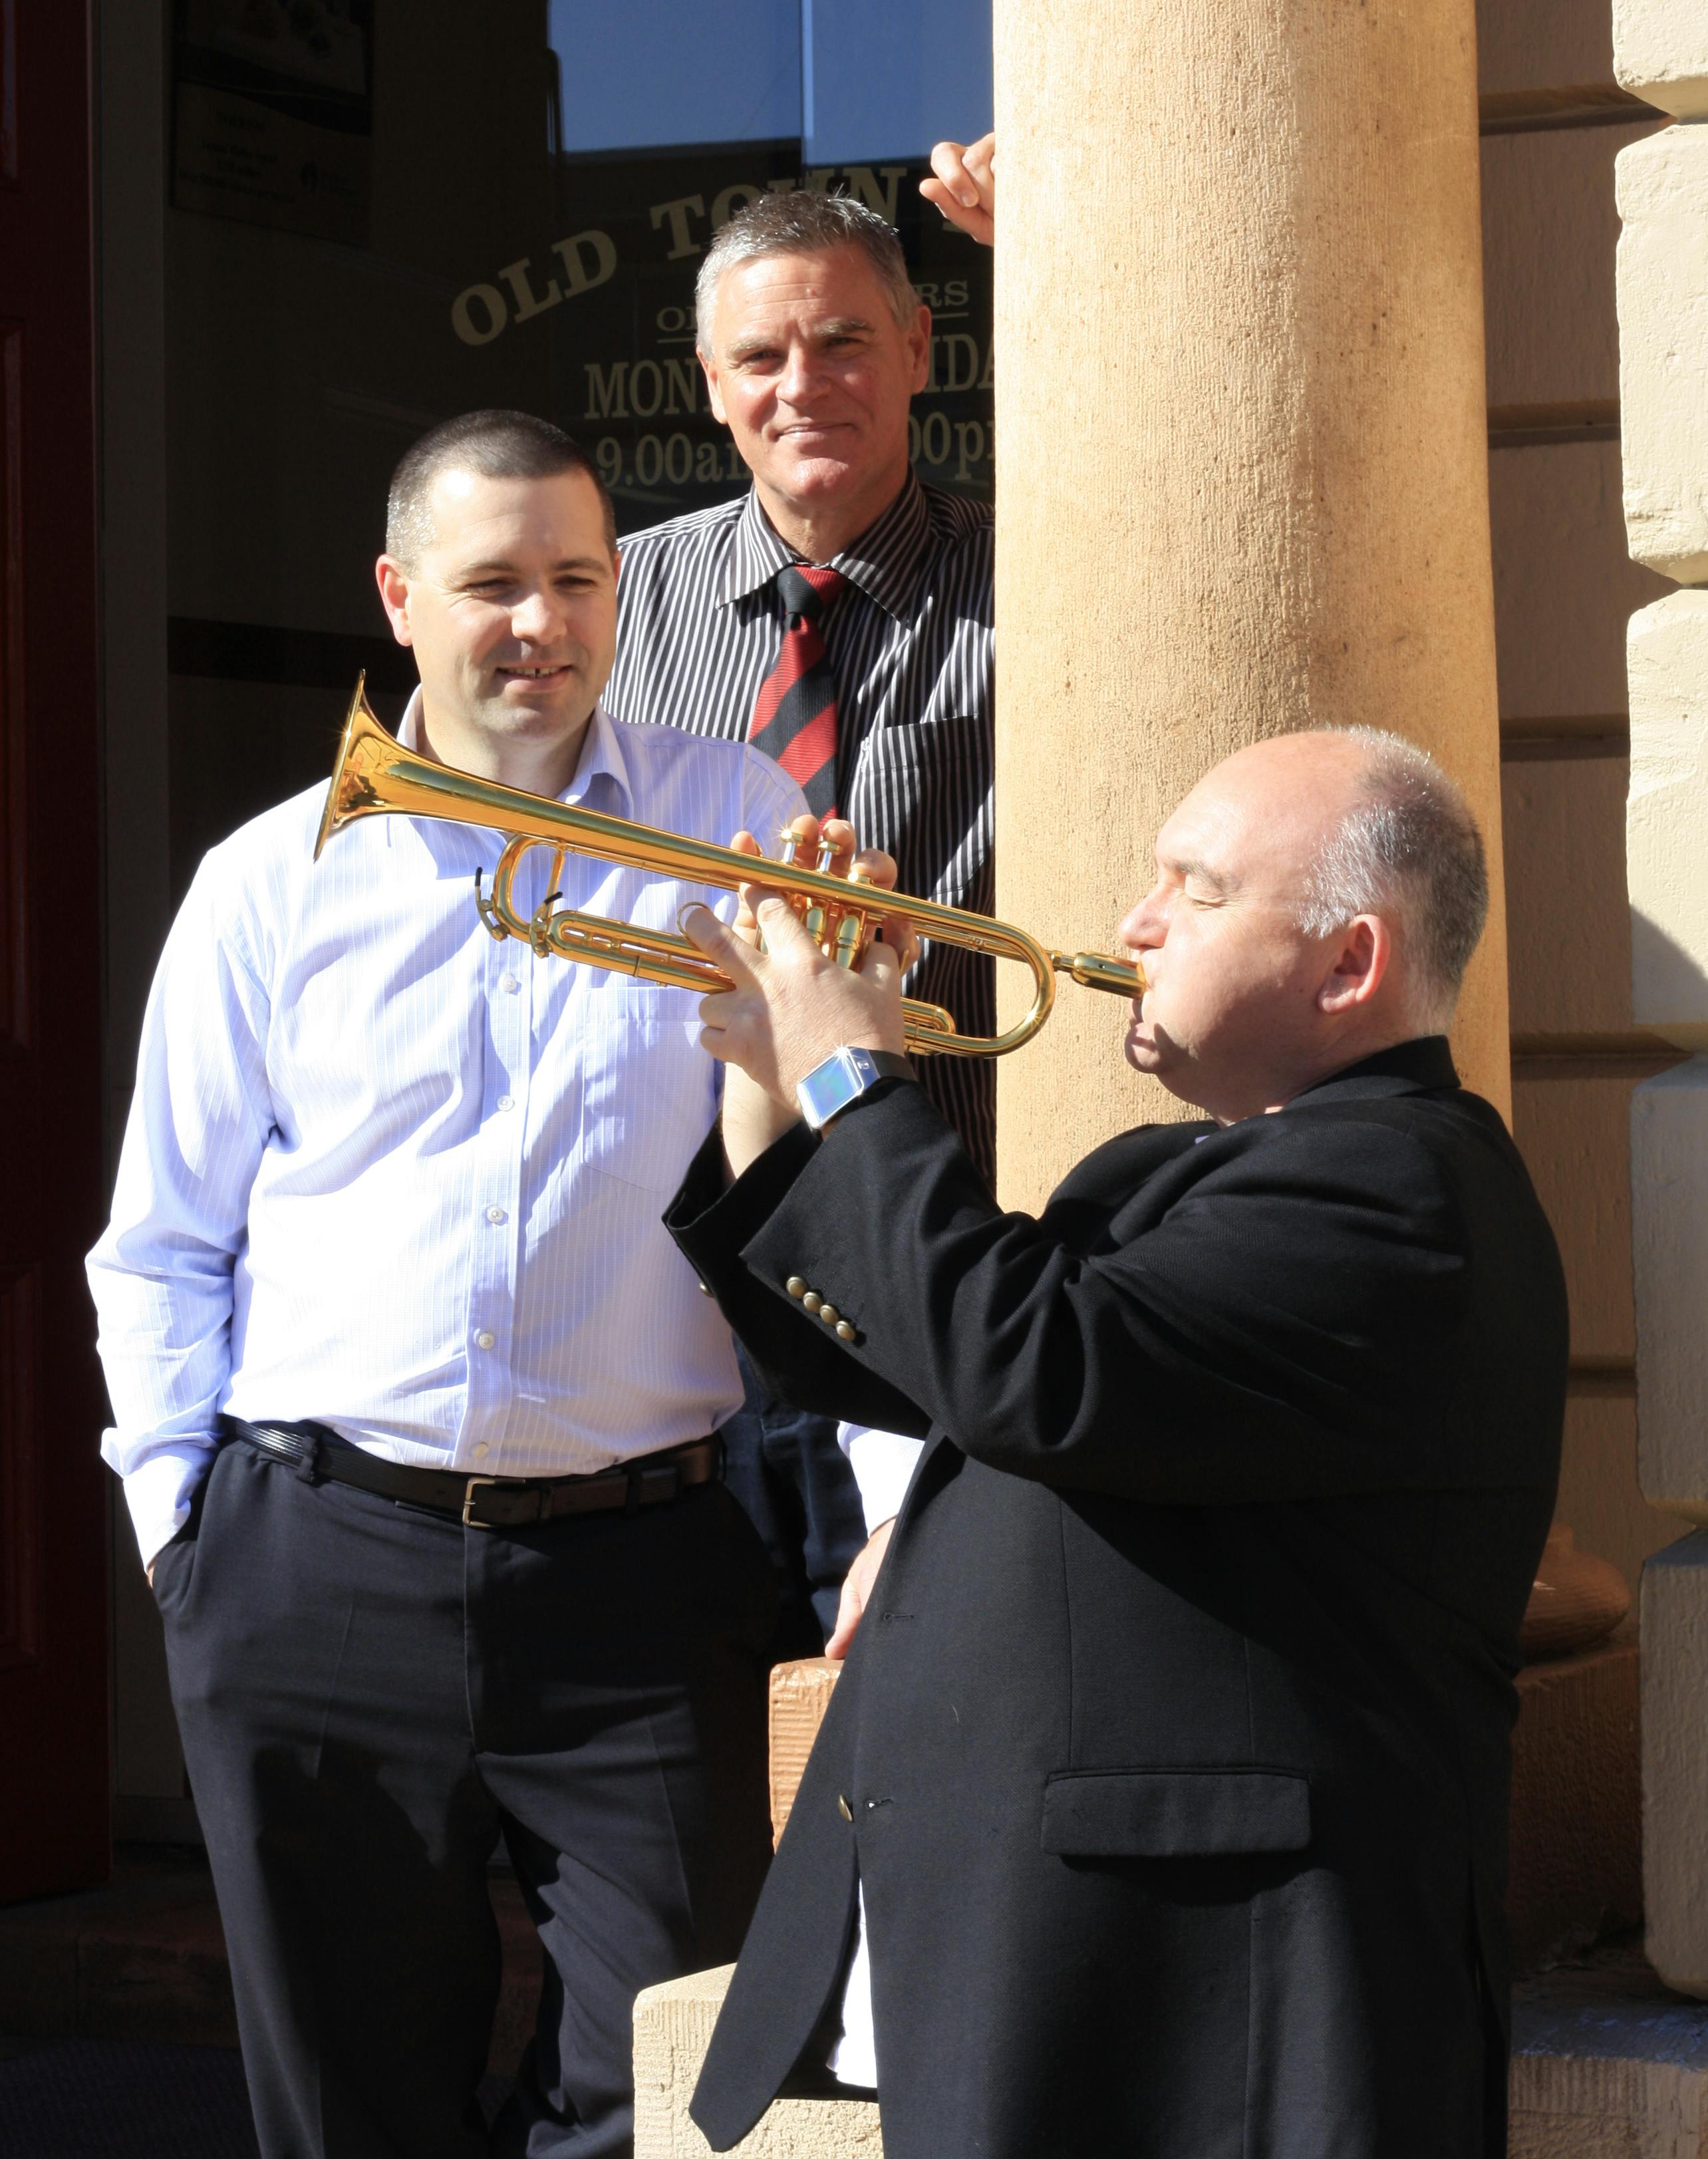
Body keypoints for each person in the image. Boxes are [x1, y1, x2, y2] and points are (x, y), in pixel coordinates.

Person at [663, 727, 1570, 2159]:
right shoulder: (1164, 1172)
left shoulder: (1403, 1192)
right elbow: (910, 1363)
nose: (1135, 925)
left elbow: (1027, 1367)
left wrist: (853, 1076)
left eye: (1197, 892)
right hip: (1062, 1985)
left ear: (1350, 965)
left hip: (1219, 2026)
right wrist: (773, 1095)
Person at [87, 412, 811, 2159]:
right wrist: (182, 1532)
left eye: (577, 579)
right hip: (317, 1558)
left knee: (670, 2091)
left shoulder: (740, 819)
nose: (539, 624)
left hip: (643, 1574)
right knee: (350, 2110)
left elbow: (807, 1179)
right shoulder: (273, 880)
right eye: (492, 584)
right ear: (403, 599)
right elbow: (165, 1240)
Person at [606, 152, 994, 1659]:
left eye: (843, 341)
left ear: (915, 351)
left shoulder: (1047, 577)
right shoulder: (620, 605)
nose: (802, 383)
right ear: (711, 385)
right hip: (667, 1296)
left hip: (919, 1271)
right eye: (760, 355)